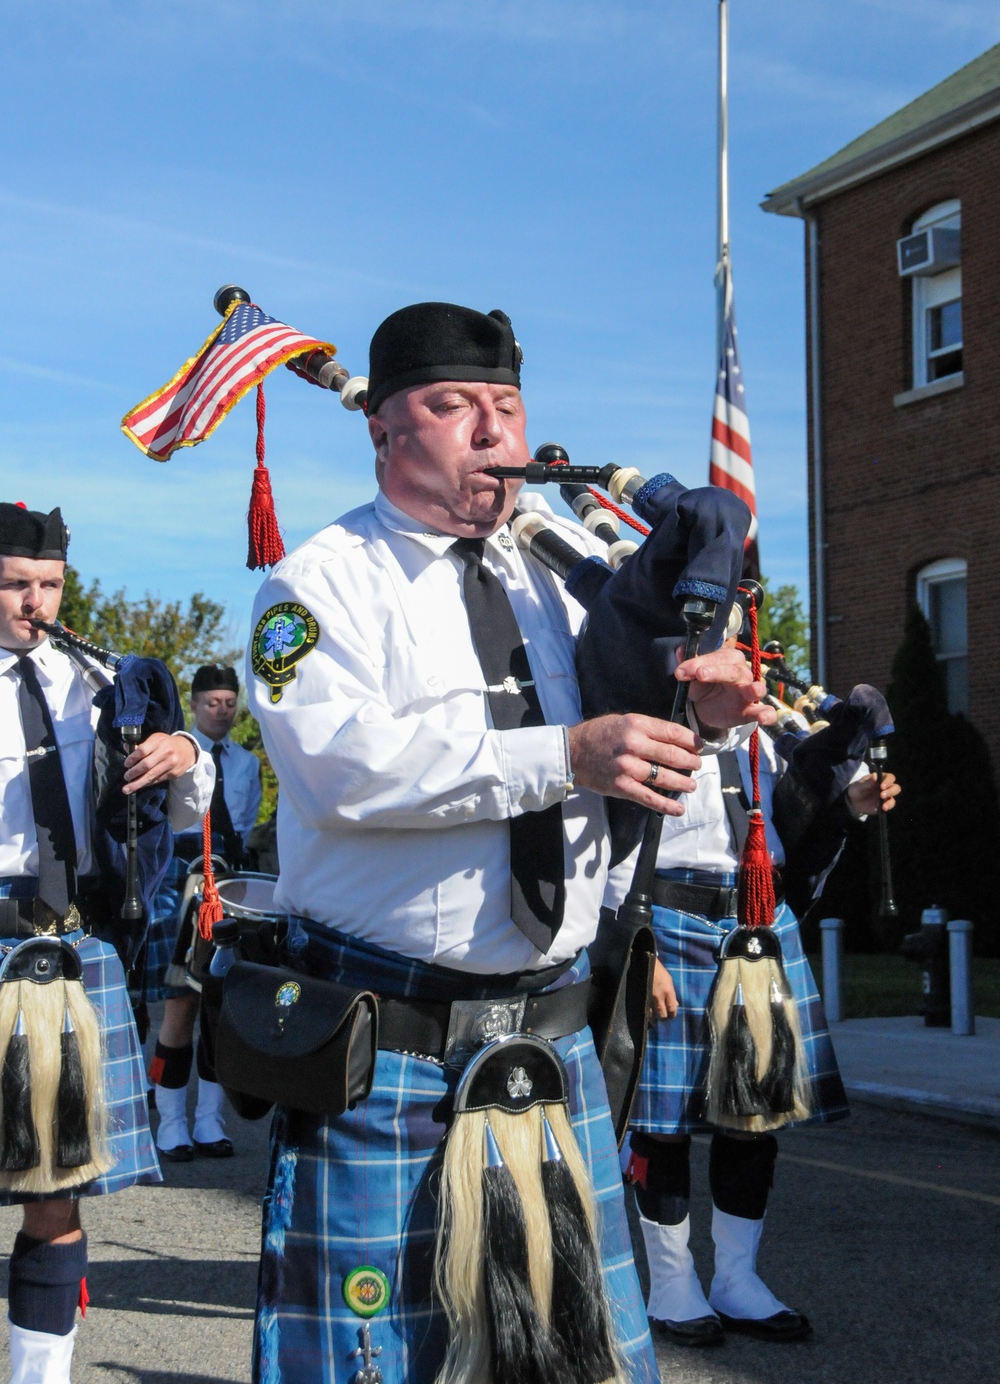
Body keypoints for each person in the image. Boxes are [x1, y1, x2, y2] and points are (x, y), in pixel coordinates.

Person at [245, 301, 775, 1384]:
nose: (493, 431)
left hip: (552, 1028)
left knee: (567, 1364)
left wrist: (703, 709)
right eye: (452, 406)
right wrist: (563, 753)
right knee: (370, 1365)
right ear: (384, 430)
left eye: (506, 405)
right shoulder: (314, 584)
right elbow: (340, 768)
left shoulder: (565, 570)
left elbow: (630, 725)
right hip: (385, 1044)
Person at [0, 500, 214, 1382]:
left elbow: (175, 811)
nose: (35, 603)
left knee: (55, 1196)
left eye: (48, 585)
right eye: (15, 584)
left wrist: (185, 753)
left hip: (69, 947)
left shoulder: (100, 681)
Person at [607, 717, 900, 1348]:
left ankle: (737, 1281)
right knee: (663, 1125)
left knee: (754, 1119)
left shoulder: (768, 744)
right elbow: (609, 843)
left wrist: (847, 807)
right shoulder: (657, 725)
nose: (754, 686)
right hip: (669, 924)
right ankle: (672, 1284)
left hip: (758, 927)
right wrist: (636, 944)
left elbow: (797, 850)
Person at [147, 663, 262, 1162]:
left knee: (220, 1008)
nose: (221, 710)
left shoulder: (248, 763)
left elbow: (249, 825)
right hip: (180, 881)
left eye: (229, 702)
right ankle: (170, 1122)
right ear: (194, 705)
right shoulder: (178, 753)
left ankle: (210, 1121)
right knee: (179, 1003)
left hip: (227, 885)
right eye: (211, 702)